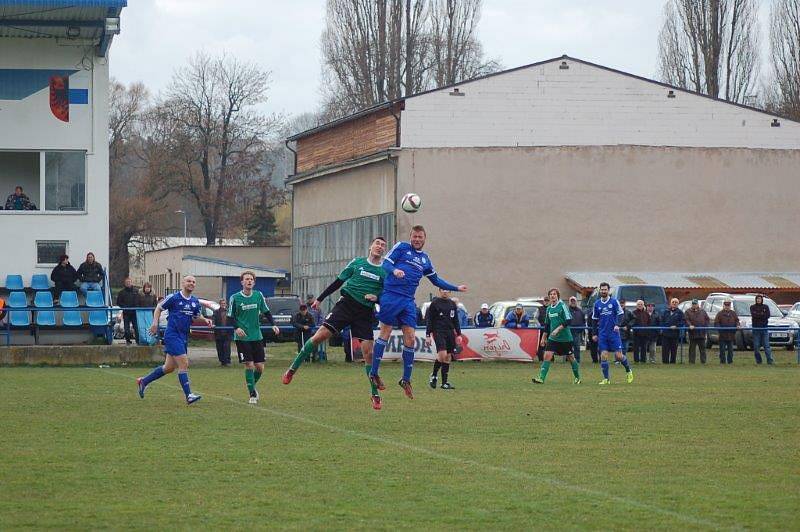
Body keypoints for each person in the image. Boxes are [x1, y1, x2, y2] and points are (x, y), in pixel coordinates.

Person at [283, 237, 387, 409]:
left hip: (364, 312)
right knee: (318, 337)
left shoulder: (384, 272)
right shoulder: (357, 263)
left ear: (384, 251)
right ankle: (292, 369)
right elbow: (338, 282)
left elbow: (387, 295)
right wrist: (320, 298)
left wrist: (377, 298)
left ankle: (375, 394)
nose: (380, 247)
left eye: (383, 245)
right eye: (377, 243)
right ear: (371, 246)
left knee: (369, 353)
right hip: (346, 305)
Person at [369, 226, 467, 401]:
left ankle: (406, 379)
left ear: (424, 239)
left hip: (408, 300)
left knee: (411, 338)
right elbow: (386, 264)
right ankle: (374, 372)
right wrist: (394, 271)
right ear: (411, 237)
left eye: (420, 237)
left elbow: (435, 279)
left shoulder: (425, 259)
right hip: (392, 295)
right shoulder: (401, 247)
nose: (417, 239)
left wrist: (456, 288)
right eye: (414, 236)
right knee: (386, 332)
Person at [137, 275, 211, 405]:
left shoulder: (194, 301)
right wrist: (155, 324)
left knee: (169, 367)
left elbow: (196, 316)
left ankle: (144, 381)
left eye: (193, 282)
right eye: (189, 281)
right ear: (183, 283)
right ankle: (189, 395)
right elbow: (158, 308)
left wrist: (205, 320)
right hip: (172, 335)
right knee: (184, 364)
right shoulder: (174, 297)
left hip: (183, 336)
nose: (191, 283)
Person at [228, 271, 280, 404]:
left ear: (254, 282)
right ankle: (252, 394)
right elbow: (230, 317)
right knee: (249, 365)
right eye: (246, 279)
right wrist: (237, 328)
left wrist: (273, 324)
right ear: (242, 282)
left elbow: (266, 311)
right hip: (242, 337)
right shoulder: (235, 298)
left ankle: (251, 385)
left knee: (260, 367)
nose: (249, 281)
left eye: (251, 279)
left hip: (257, 336)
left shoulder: (258, 295)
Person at [533, 288, 582, 385]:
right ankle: (541, 378)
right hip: (553, 338)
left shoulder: (562, 306)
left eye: (554, 294)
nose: (552, 296)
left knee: (571, 358)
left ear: (558, 296)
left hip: (565, 338)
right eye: (551, 294)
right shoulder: (549, 309)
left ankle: (577, 377)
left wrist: (558, 329)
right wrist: (543, 338)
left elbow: (568, 320)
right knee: (547, 356)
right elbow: (547, 325)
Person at [591, 282, 634, 384]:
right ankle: (606, 379)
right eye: (602, 289)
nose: (603, 291)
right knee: (603, 355)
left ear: (608, 290)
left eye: (605, 289)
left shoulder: (614, 302)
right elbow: (594, 319)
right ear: (599, 290)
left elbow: (620, 314)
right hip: (602, 334)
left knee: (619, 356)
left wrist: (617, 324)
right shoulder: (597, 304)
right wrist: (594, 333)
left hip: (613, 334)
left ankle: (628, 370)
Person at [425, 288, 462, 390]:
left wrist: (459, 334)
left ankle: (444, 383)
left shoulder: (452, 304)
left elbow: (456, 320)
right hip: (438, 331)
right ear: (439, 291)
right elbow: (430, 320)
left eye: (447, 290)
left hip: (450, 332)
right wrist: (428, 335)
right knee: (443, 354)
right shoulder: (435, 303)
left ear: (450, 292)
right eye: (443, 290)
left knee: (448, 357)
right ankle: (434, 375)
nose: (445, 292)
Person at [684, 299, 710, 364]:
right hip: (692, 333)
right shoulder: (687, 311)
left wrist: (705, 327)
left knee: (703, 349)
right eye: (693, 304)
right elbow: (686, 320)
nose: (694, 305)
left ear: (698, 304)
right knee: (692, 349)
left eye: (695, 304)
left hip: (701, 333)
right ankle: (691, 362)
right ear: (691, 304)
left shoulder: (703, 311)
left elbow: (707, 319)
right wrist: (690, 325)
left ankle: (703, 362)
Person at [714, 299, 740, 364]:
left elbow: (737, 321)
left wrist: (737, 325)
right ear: (724, 305)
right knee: (722, 350)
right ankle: (722, 362)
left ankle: (730, 362)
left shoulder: (733, 313)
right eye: (726, 305)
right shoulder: (719, 314)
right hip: (722, 335)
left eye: (728, 305)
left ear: (730, 306)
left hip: (731, 335)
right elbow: (716, 323)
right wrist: (720, 329)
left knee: (730, 350)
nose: (727, 306)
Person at [750, 295, 774, 365]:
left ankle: (770, 361)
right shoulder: (752, 307)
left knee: (766, 346)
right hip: (756, 329)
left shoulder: (765, 307)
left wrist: (760, 315)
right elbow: (754, 316)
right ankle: (759, 361)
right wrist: (762, 314)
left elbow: (767, 315)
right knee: (756, 347)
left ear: (762, 300)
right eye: (757, 299)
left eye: (759, 299)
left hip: (764, 329)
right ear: (755, 300)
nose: (758, 300)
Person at [660, 298, 685, 364]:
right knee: (665, 349)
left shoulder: (680, 313)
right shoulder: (665, 311)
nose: (674, 303)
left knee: (674, 349)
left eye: (676, 302)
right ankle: (665, 362)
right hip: (666, 334)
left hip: (675, 334)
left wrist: (676, 326)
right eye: (673, 302)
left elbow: (682, 322)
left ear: (678, 304)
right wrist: (667, 326)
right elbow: (661, 321)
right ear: (670, 303)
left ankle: (673, 362)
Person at [116, 277, 139, 345]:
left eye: (129, 282)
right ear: (125, 283)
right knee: (126, 329)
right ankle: (128, 341)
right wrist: (125, 307)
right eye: (127, 282)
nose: (128, 283)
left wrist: (137, 306)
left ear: (131, 282)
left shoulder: (136, 291)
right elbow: (118, 302)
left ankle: (138, 341)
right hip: (126, 313)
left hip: (134, 312)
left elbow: (139, 301)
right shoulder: (121, 292)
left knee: (136, 327)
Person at [213, 298, 231, 367]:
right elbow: (213, 319)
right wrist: (213, 324)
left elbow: (233, 319)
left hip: (227, 333)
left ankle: (227, 361)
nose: (223, 305)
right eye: (222, 303)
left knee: (226, 347)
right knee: (219, 348)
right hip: (219, 333)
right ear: (219, 304)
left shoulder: (229, 311)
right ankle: (222, 362)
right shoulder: (216, 312)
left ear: (226, 304)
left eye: (224, 303)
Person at [567, 296, 585, 362]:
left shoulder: (580, 311)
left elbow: (583, 321)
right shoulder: (566, 310)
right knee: (568, 347)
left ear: (576, 302)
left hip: (577, 332)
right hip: (568, 331)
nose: (573, 302)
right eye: (571, 301)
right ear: (569, 302)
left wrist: (581, 329)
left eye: (574, 301)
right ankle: (568, 359)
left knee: (577, 347)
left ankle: (577, 360)